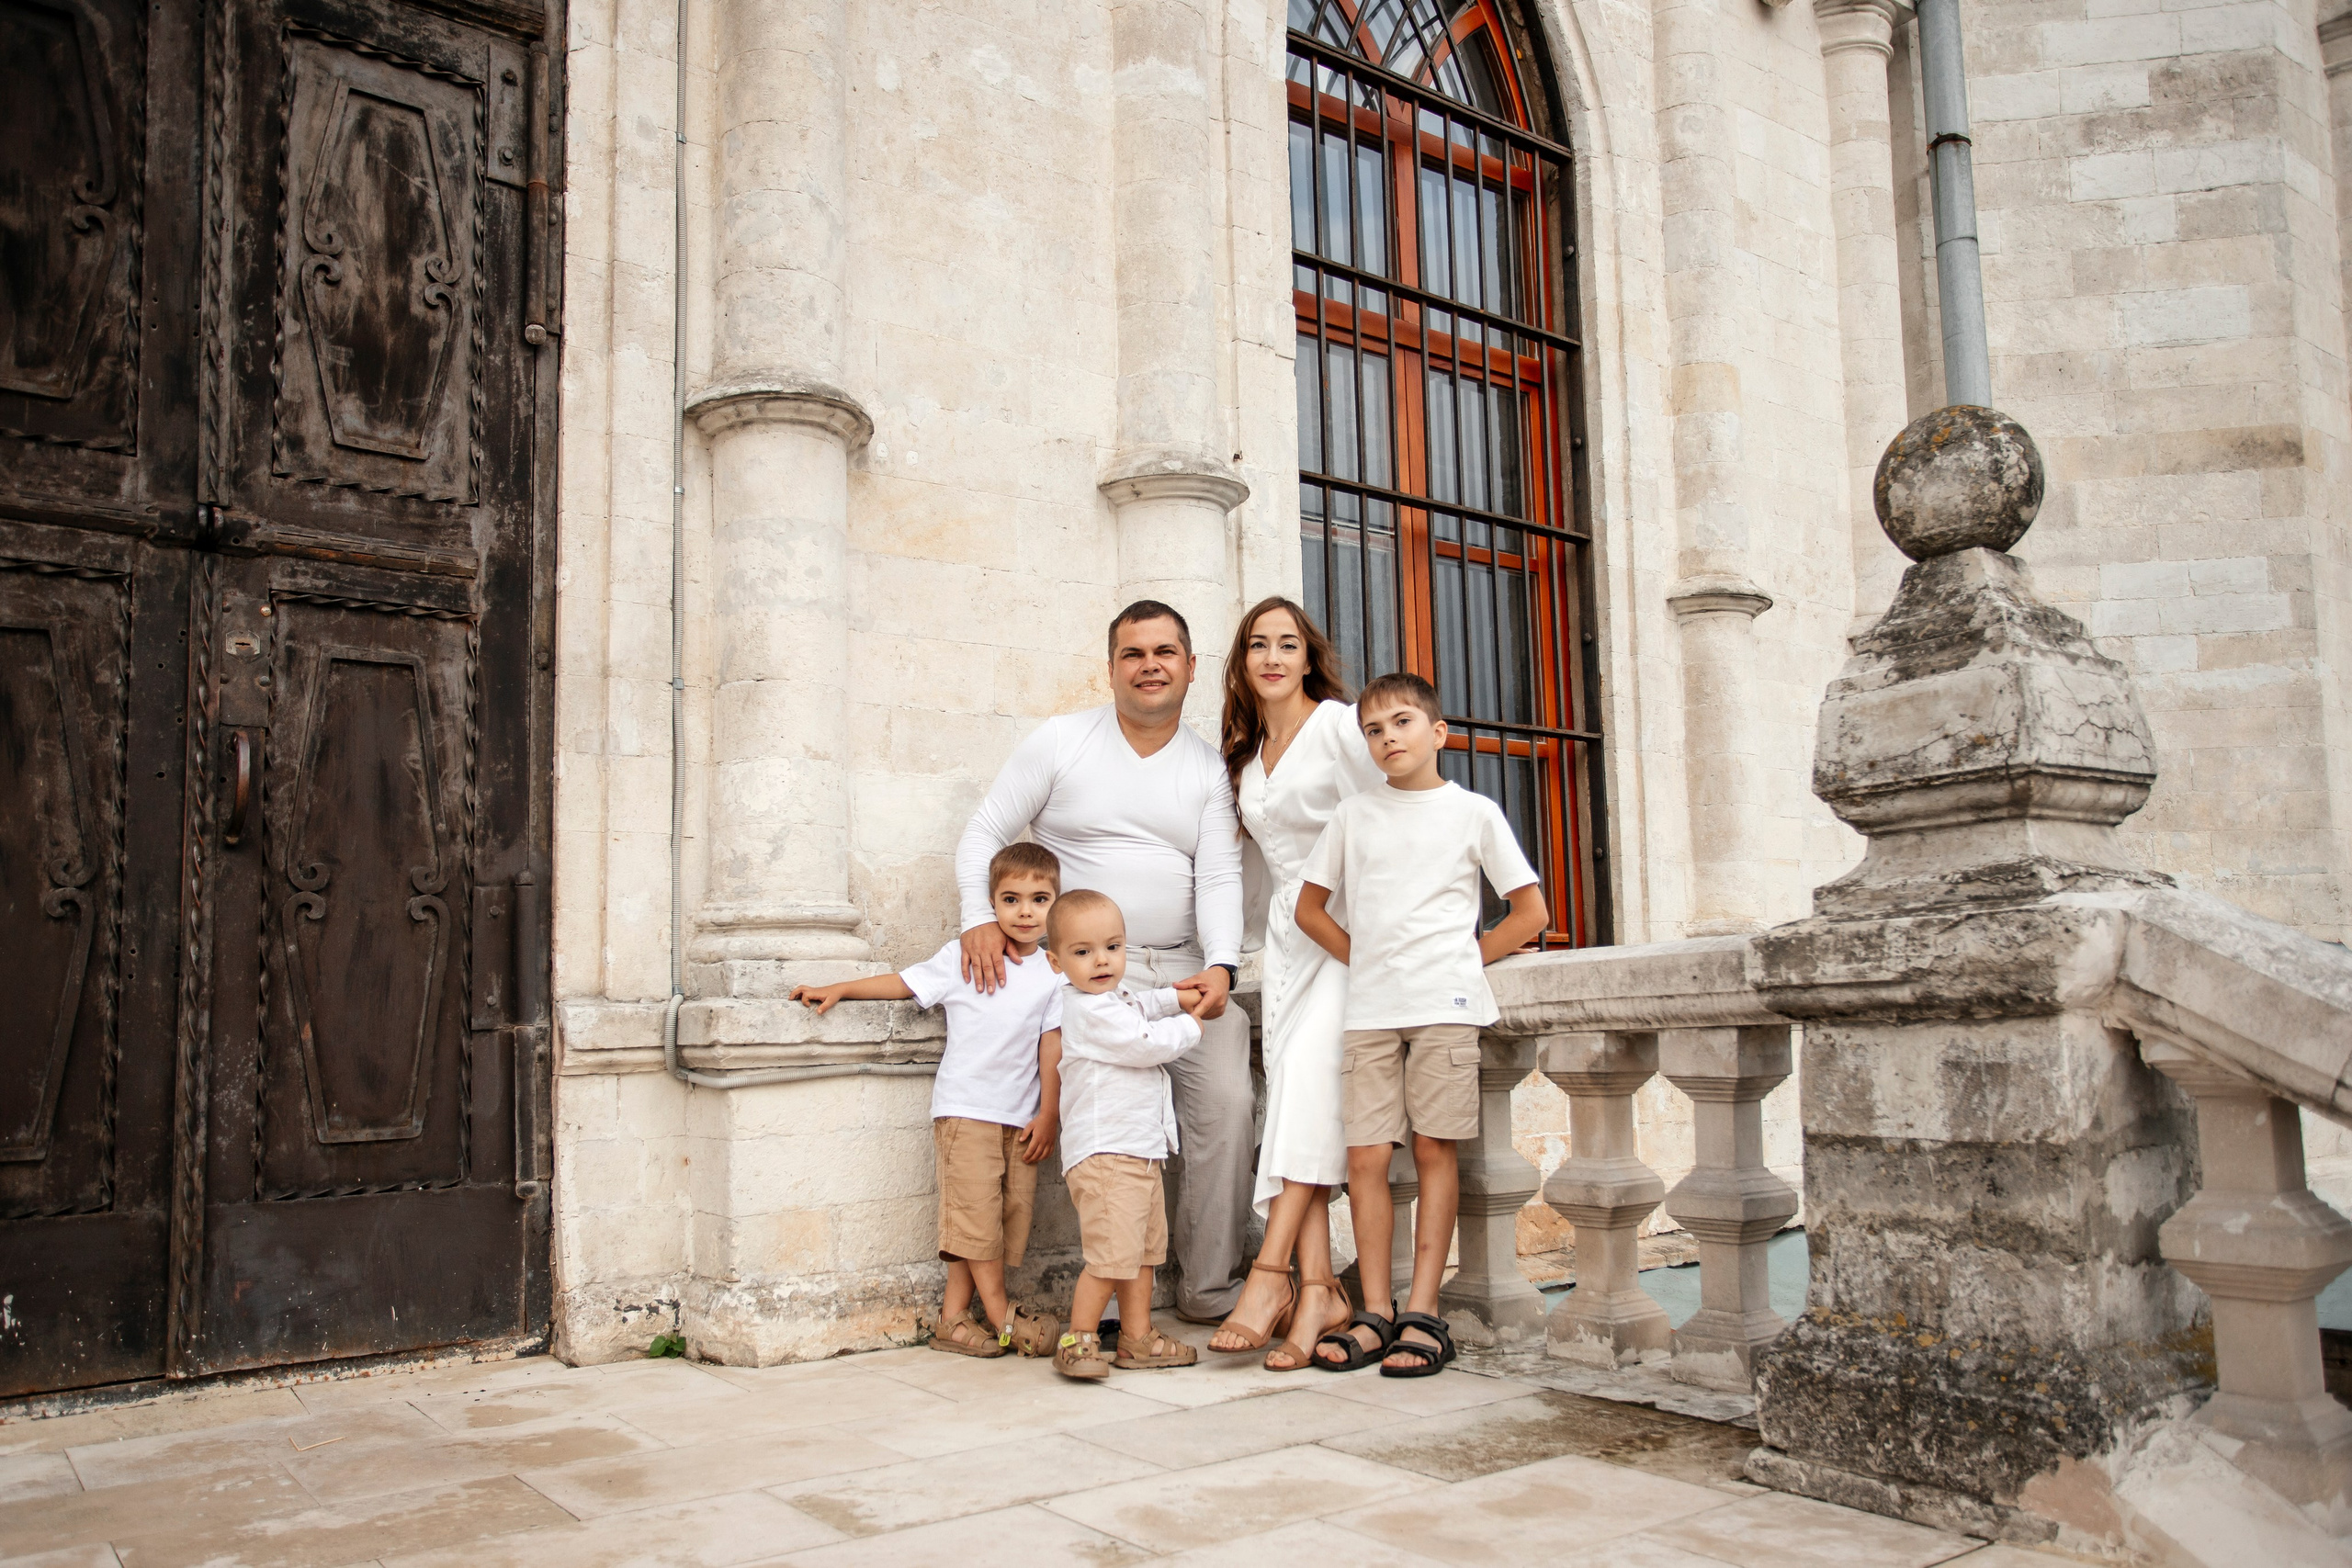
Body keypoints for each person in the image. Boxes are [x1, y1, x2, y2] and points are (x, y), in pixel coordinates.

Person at [954, 601, 1251, 1325]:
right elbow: (984, 831)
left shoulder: (1207, 769)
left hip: (1182, 972)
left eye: (1165, 652)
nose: (1150, 664)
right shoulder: (1062, 741)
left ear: (1189, 666)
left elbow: (1217, 876)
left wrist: (1222, 966)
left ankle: (1209, 1286)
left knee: (1230, 1104)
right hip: (1087, 982)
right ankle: (1109, 1293)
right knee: (1104, 1132)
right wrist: (976, 920)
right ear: (1112, 666)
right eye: (1133, 652)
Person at [1295, 672, 1548, 1377]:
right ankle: (1375, 1309)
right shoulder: (1353, 815)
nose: (1387, 738)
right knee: (1366, 1158)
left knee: (1436, 1149)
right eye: (1373, 730)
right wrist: (1367, 958)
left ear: (1437, 733)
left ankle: (1422, 1310)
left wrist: (1464, 961)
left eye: (1401, 722)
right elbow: (1310, 909)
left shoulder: (1474, 813)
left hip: (1446, 1009)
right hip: (1371, 1011)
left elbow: (1529, 913)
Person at [788, 843, 1066, 1359]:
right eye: (1011, 899)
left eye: (1040, 899)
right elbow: (904, 982)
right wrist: (842, 988)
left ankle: (953, 1320)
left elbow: (1053, 1045)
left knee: (991, 1221)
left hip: (1021, 1116)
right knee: (975, 1216)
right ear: (990, 903)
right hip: (966, 1112)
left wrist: (1048, 1113)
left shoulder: (1053, 972)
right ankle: (1002, 1312)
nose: (1025, 911)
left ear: (1056, 904)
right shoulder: (964, 957)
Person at [1205, 597, 1383, 1371]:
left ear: (1309, 657)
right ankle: (1319, 1288)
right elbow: (1252, 867)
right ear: (1243, 662)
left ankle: (1268, 1274)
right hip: (1284, 940)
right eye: (1257, 645)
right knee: (1292, 1100)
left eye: (1288, 644)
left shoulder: (1341, 725)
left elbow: (1390, 808)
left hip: (1345, 930)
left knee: (1308, 1080)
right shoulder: (1241, 754)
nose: (1273, 657)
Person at [1042, 889, 1209, 1380]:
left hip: (1139, 1152)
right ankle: (1079, 1340)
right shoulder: (1085, 1009)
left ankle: (1138, 1338)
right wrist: (1192, 1022)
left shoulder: (1112, 998)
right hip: (1107, 1154)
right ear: (1055, 962)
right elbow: (1144, 1041)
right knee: (1111, 1259)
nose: (1101, 961)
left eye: (1113, 948)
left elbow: (1141, 1003)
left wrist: (1174, 996)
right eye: (1083, 952)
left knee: (1141, 1255)